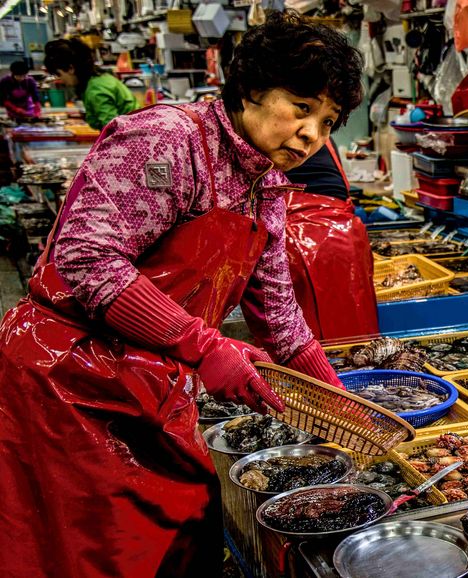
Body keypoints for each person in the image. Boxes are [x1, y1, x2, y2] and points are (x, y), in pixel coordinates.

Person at [0, 13, 362, 577]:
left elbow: (279, 315)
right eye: (301, 106)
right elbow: (87, 258)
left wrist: (341, 402)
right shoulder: (168, 138)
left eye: (329, 120)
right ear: (250, 89)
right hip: (65, 382)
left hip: (148, 382)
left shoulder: (264, 182)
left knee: (176, 533)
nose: (314, 134)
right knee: (90, 550)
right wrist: (204, 346)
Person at [284, 138, 380, 342]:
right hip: (348, 236)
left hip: (300, 242)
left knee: (312, 351)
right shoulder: (316, 134)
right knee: (357, 346)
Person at [43, 38, 138, 130]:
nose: (61, 80)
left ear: (70, 68)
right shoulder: (99, 79)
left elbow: (112, 130)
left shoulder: (96, 89)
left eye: (59, 74)